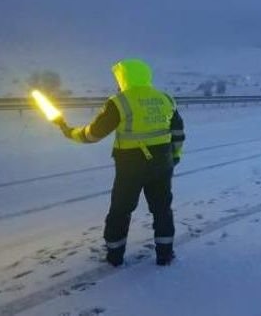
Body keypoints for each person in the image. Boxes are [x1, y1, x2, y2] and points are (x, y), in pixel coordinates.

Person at [54, 59, 185, 266]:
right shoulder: (165, 99)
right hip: (162, 163)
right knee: (162, 209)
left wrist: (69, 132)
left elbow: (93, 134)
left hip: (130, 167)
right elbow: (177, 132)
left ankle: (115, 256)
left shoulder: (120, 101)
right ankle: (165, 255)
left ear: (124, 77)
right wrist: (175, 155)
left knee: (121, 210)